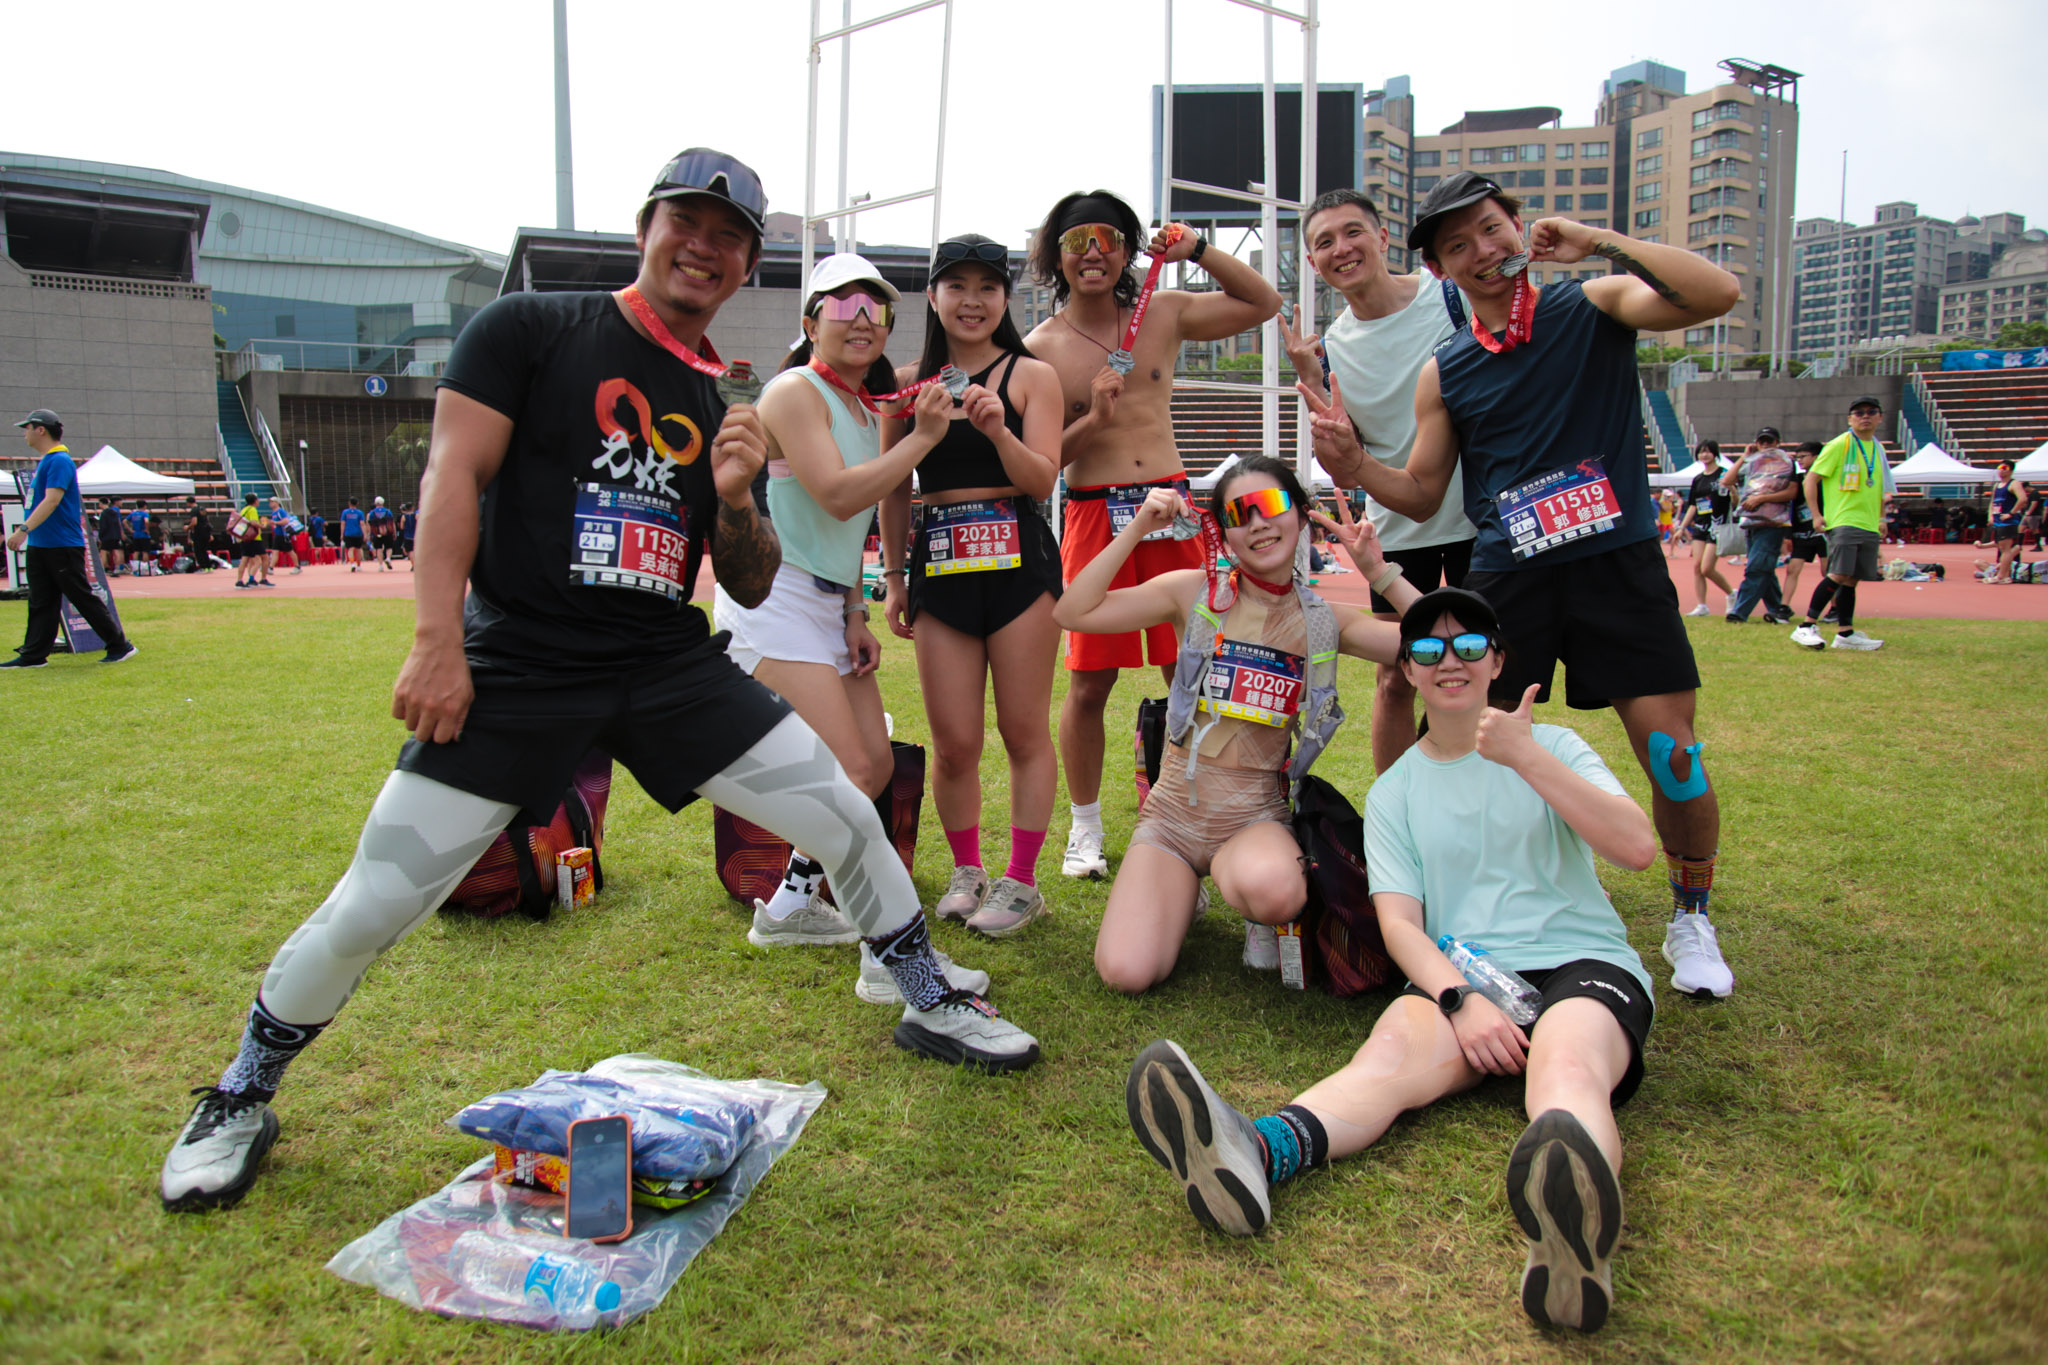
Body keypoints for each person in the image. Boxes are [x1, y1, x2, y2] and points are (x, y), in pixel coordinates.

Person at [158, 149, 1040, 1215]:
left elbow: (747, 577)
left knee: (846, 811)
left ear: (746, 266)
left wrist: (733, 497)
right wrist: (436, 639)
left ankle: (927, 998)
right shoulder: (528, 328)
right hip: (521, 659)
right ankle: (240, 1093)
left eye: (728, 238)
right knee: (376, 900)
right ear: (645, 229)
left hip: (664, 662)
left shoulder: (715, 392)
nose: (703, 248)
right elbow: (452, 473)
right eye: (686, 223)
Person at [1124, 585, 1656, 1334]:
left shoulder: (1557, 746)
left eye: (1469, 645)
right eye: (1429, 649)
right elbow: (1400, 923)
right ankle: (1254, 1152)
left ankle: (1575, 1227)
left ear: (1497, 660)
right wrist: (1458, 1000)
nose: (1450, 661)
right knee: (1384, 1061)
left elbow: (1636, 847)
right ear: (1407, 669)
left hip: (1580, 963)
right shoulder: (1397, 789)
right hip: (1459, 972)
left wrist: (1527, 757)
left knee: (1566, 1071)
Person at [1301, 171, 1740, 1000]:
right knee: (1463, 748)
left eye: (1492, 228)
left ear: (1519, 226)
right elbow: (1421, 493)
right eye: (1458, 245)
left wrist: (1599, 242)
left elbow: (1716, 292)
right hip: (1510, 576)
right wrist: (1357, 466)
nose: (1483, 251)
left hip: (1617, 565)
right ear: (1440, 268)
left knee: (1672, 751)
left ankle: (1691, 913)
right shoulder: (1446, 370)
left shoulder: (1593, 304)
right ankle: (1466, 905)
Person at [1055, 457, 1420, 993]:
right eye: (1237, 514)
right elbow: (1073, 612)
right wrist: (1136, 529)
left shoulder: (1324, 620)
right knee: (1125, 973)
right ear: (1222, 533)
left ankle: (1257, 914)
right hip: (1172, 818)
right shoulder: (1191, 592)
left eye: (1270, 505)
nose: (1258, 524)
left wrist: (1380, 573)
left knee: (1276, 892)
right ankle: (1181, 892)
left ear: (1301, 514)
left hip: (1253, 818)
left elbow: (1445, 645)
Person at [714, 253, 973, 965]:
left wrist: (856, 609)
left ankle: (791, 905)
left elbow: (848, 529)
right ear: (810, 322)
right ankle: (885, 947)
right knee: (853, 771)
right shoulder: (794, 390)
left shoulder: (863, 406)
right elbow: (836, 495)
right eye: (840, 305)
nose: (861, 320)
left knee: (876, 766)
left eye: (876, 308)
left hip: (828, 601)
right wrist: (923, 438)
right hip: (774, 596)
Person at [1023, 190, 1282, 879]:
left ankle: (1198, 811)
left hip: (1173, 508)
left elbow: (1263, 303)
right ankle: (1085, 829)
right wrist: (1093, 418)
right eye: (1076, 241)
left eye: (1108, 238)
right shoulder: (1039, 348)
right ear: (1056, 256)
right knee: (1088, 682)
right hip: (1094, 512)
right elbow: (1041, 460)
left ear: (1129, 248)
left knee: (1192, 671)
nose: (1093, 253)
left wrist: (1198, 250)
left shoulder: (1161, 312)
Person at [878, 235, 1065, 936]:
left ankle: (1021, 880)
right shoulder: (906, 383)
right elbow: (893, 486)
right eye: (956, 286)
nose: (972, 301)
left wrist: (998, 430)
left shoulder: (1031, 376)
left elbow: (1042, 480)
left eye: (988, 287)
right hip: (939, 564)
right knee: (955, 741)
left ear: (1006, 298)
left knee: (1023, 730)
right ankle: (967, 869)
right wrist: (893, 576)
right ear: (933, 296)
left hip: (1020, 568)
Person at [1279, 188, 1478, 774]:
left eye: (1353, 232)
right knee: (1397, 677)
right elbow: (1349, 463)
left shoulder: (1452, 298)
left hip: (1480, 520)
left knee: (1484, 668)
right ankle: (1396, 805)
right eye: (1325, 242)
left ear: (1384, 238)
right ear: (1313, 263)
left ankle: (1474, 792)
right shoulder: (1333, 348)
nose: (1341, 248)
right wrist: (1312, 379)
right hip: (1396, 530)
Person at [2, 409, 137, 669]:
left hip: (60, 544)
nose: (25, 433)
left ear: (41, 429)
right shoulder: (48, 461)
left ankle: (120, 645)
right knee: (41, 601)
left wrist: (23, 530)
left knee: (80, 595)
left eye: (27, 428)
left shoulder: (59, 460)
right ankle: (34, 654)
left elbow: (52, 500)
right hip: (43, 544)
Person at [1790, 397, 1889, 651]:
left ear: (1880, 417)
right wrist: (1816, 514)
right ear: (1849, 419)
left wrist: (1881, 517)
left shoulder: (1878, 449)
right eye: (1859, 413)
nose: (1865, 416)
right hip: (1844, 519)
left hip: (1868, 522)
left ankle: (1845, 633)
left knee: (1852, 579)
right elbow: (1810, 479)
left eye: (1871, 412)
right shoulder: (1839, 445)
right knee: (1839, 573)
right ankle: (1806, 626)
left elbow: (1879, 486)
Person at [1724, 427, 1797, 624]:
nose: (1765, 445)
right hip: (1751, 522)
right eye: (1762, 441)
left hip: (1773, 522)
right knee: (1765, 569)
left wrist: (1761, 499)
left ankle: (1739, 612)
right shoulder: (1752, 463)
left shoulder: (1787, 463)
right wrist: (1744, 457)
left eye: (1769, 441)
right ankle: (1778, 609)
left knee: (1756, 568)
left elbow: (1792, 492)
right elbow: (1727, 480)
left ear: (1778, 443)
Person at [1672, 441, 1733, 617]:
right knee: (1697, 567)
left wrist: (1734, 492)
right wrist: (1681, 527)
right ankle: (1702, 606)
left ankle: (1731, 593)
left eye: (1708, 452)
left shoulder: (1724, 475)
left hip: (1718, 525)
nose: (1704, 455)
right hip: (1700, 525)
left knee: (1707, 568)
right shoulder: (1698, 479)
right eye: (1701, 452)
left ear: (1715, 453)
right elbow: (1693, 505)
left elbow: (1734, 501)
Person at [1782, 442, 1825, 607]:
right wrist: (1788, 533)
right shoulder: (1797, 479)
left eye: (1803, 457)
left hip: (1823, 531)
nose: (1799, 460)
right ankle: (1784, 606)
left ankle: (1835, 607)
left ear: (1817, 457)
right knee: (1792, 569)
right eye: (1797, 457)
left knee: (1827, 571)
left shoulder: (1826, 480)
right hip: (1802, 531)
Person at [1986, 461, 2031, 584]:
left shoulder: (2014, 484)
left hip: (2008, 522)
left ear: (2010, 471)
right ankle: (2005, 575)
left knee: (2005, 549)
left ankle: (2001, 576)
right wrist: (1990, 516)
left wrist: (2011, 513)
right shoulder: (1997, 485)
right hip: (1998, 521)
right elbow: (1993, 502)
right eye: (1999, 467)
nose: (2001, 470)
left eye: (2004, 468)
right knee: (2002, 548)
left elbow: (2023, 499)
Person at [227, 493, 263, 587]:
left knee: (244, 560)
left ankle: (239, 580)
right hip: (251, 538)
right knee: (258, 561)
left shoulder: (244, 509)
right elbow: (253, 522)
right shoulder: (252, 509)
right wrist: (261, 526)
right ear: (255, 501)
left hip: (244, 537)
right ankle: (251, 578)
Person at [366, 496, 398, 570]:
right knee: (389, 547)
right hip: (388, 532)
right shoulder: (388, 512)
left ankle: (380, 565)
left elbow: (370, 524)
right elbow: (392, 523)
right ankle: (388, 558)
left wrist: (369, 534)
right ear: (383, 503)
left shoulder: (372, 513)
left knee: (379, 548)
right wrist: (394, 532)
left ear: (375, 503)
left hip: (377, 533)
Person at [97, 498, 126, 574]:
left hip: (107, 535)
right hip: (115, 535)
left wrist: (100, 535)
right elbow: (118, 523)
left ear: (101, 503)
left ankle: (102, 569)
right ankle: (118, 568)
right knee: (116, 550)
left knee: (103, 551)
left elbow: (103, 526)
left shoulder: (103, 513)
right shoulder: (114, 512)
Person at [125, 499, 155, 572]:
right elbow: (146, 521)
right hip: (144, 535)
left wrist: (130, 530)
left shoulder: (133, 514)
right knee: (145, 551)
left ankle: (135, 568)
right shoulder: (145, 514)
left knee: (136, 551)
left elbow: (124, 521)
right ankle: (145, 568)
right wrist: (147, 529)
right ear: (144, 506)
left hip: (136, 534)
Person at [186, 500, 214, 572]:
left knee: (198, 550)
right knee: (204, 550)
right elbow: (207, 520)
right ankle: (208, 566)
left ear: (188, 503)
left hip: (199, 532)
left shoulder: (194, 510)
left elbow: (194, 522)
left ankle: (203, 567)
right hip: (206, 531)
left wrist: (188, 527)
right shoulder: (202, 508)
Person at [340, 497, 366, 570]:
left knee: (350, 549)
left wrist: (341, 534)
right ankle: (359, 565)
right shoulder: (360, 512)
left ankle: (352, 563)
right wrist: (365, 534)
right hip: (358, 533)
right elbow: (362, 524)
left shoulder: (345, 512)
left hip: (348, 533)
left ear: (349, 503)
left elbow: (343, 523)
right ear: (357, 503)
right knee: (358, 549)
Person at [399, 501, 419, 569]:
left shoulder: (404, 516)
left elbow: (401, 527)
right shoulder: (415, 515)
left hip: (407, 536)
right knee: (415, 550)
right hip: (415, 535)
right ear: (412, 507)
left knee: (410, 551)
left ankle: (413, 564)